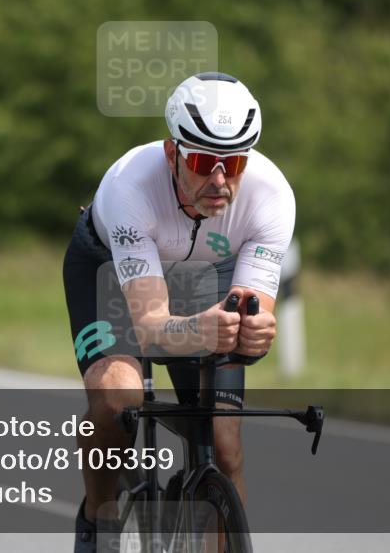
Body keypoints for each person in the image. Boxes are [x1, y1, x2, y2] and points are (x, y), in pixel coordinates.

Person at [63, 72, 295, 552]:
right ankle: (97, 520)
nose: (218, 179)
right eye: (203, 160)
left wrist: (253, 333)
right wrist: (201, 329)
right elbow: (149, 326)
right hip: (110, 273)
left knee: (225, 448)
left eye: (232, 164)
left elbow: (252, 311)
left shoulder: (272, 198)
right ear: (172, 153)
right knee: (116, 401)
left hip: (206, 275)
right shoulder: (131, 186)